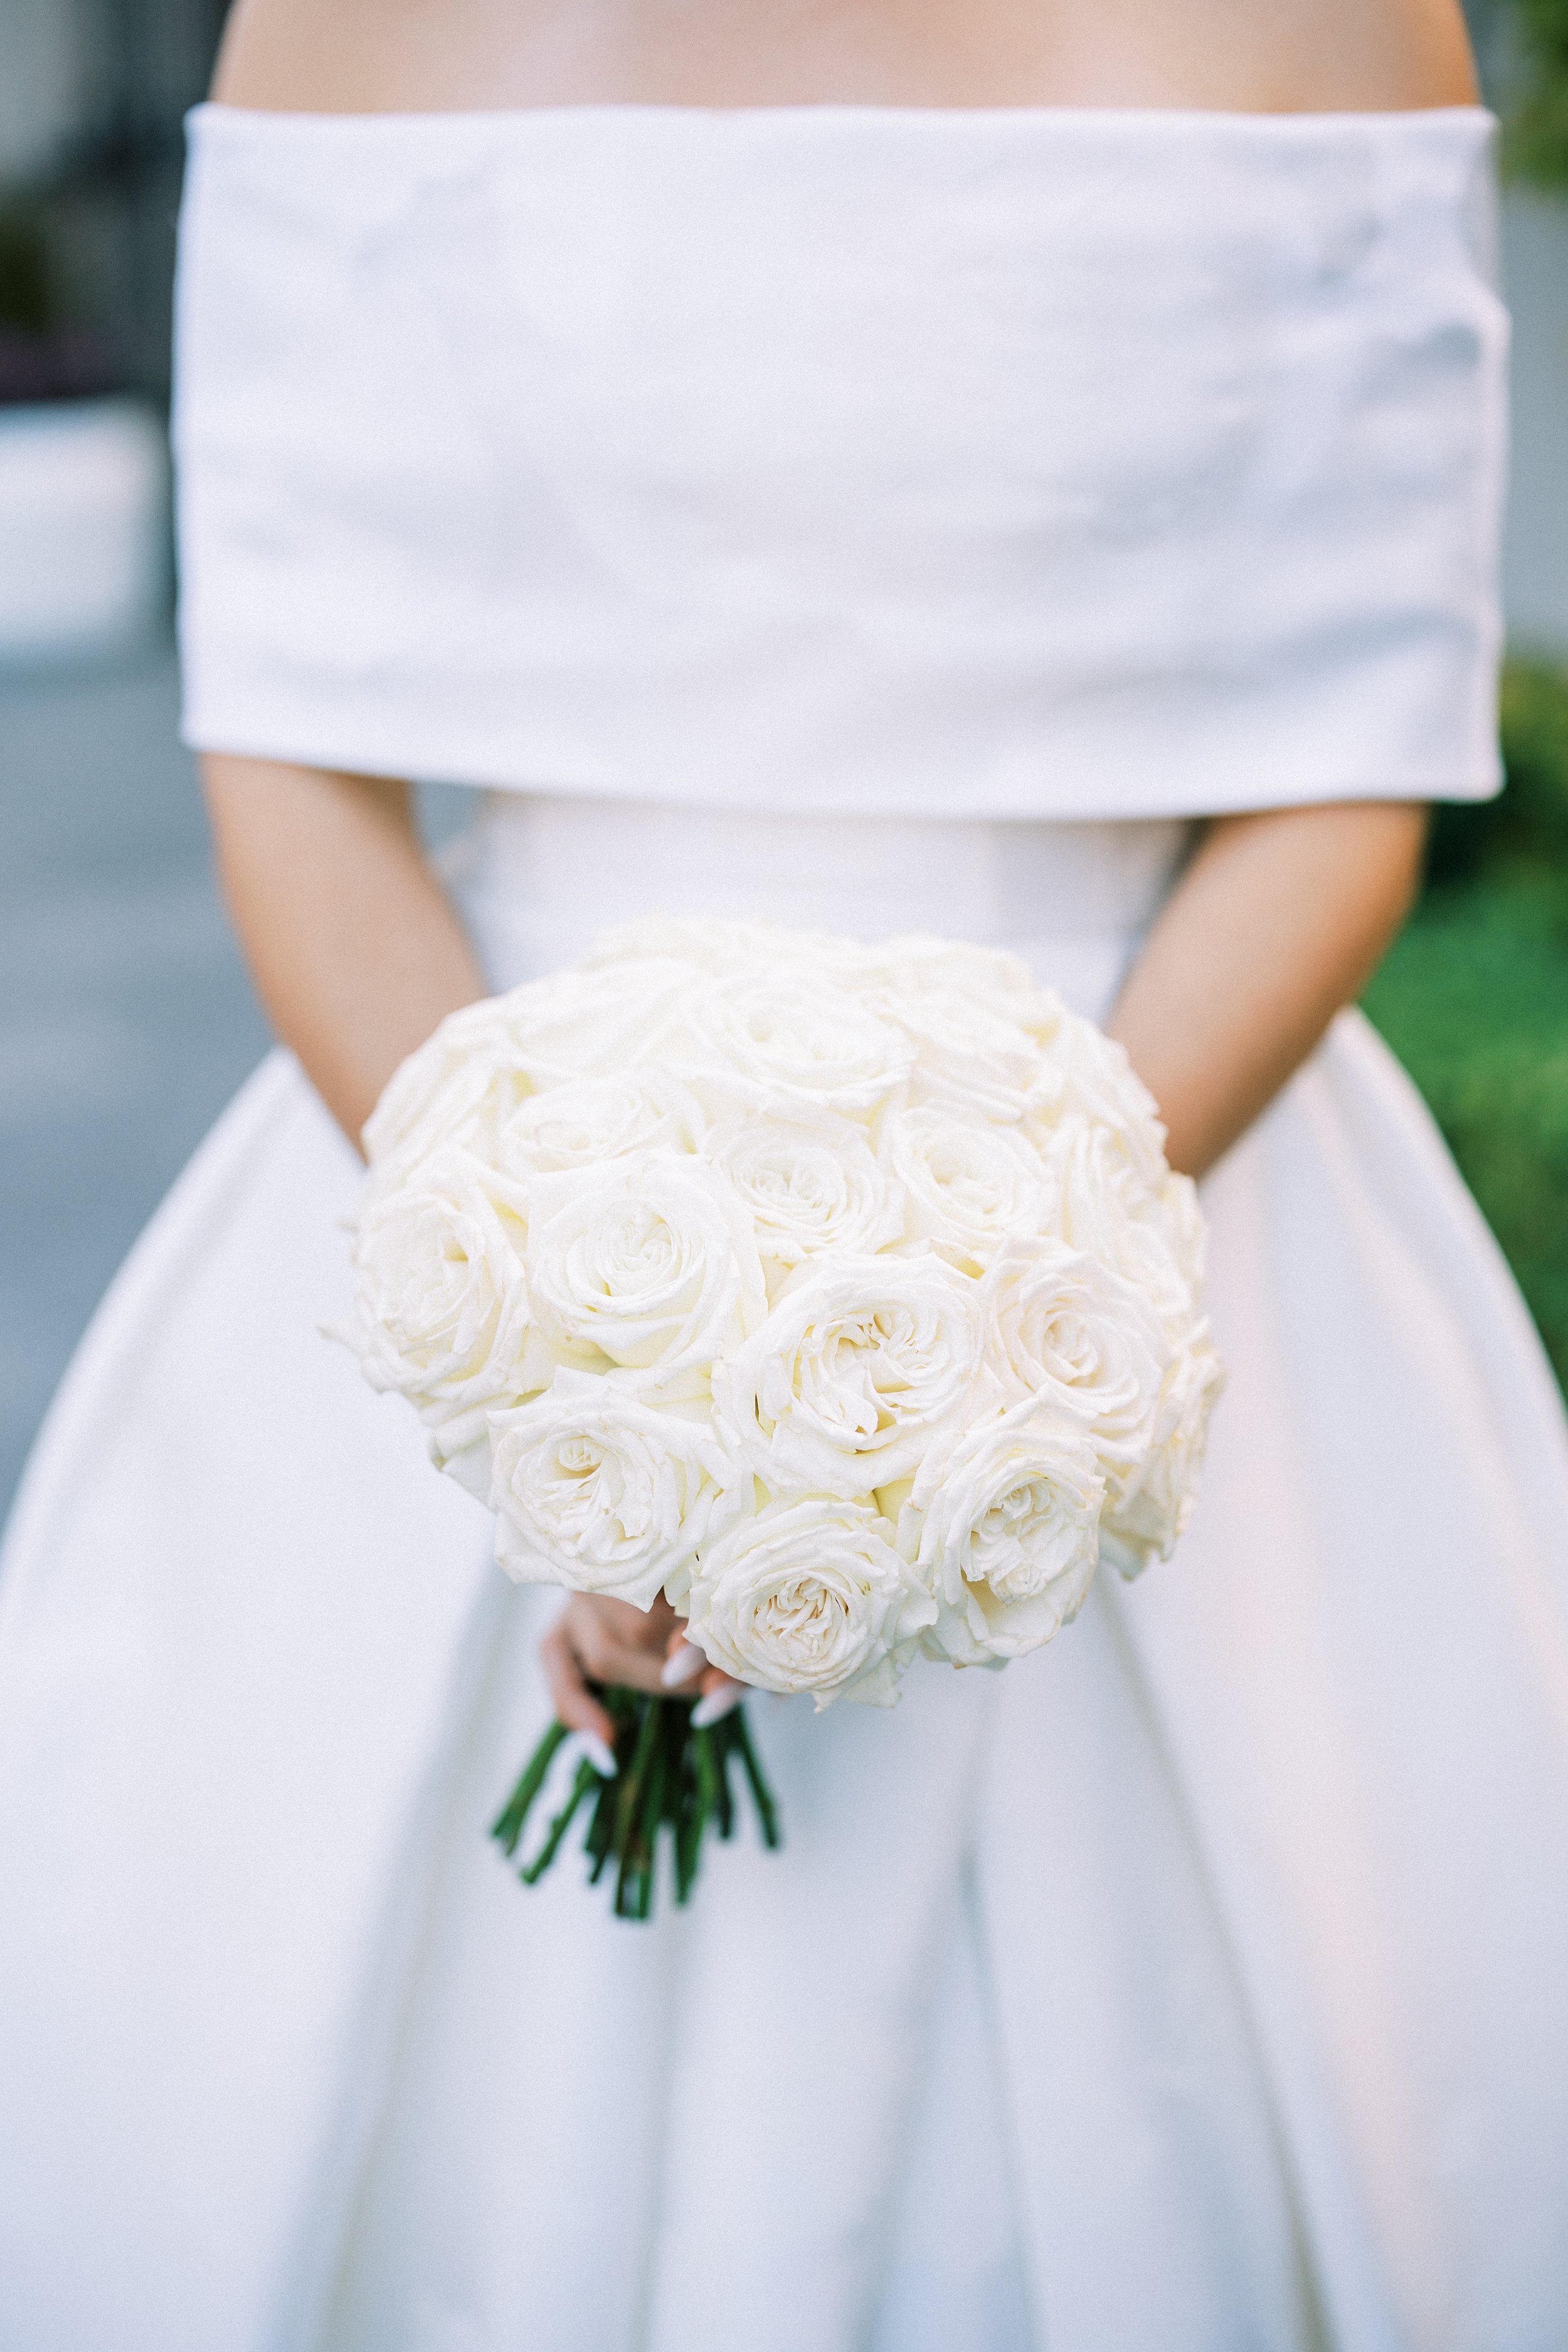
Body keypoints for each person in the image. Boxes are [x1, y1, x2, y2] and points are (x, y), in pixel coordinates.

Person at [2, 0, 1565, 2344]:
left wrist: (983, 1308)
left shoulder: (1335, 18)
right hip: (462, 1105)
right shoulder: (346, 20)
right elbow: (295, 760)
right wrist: (568, 1362)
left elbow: (1349, 766)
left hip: (1165, 1139)